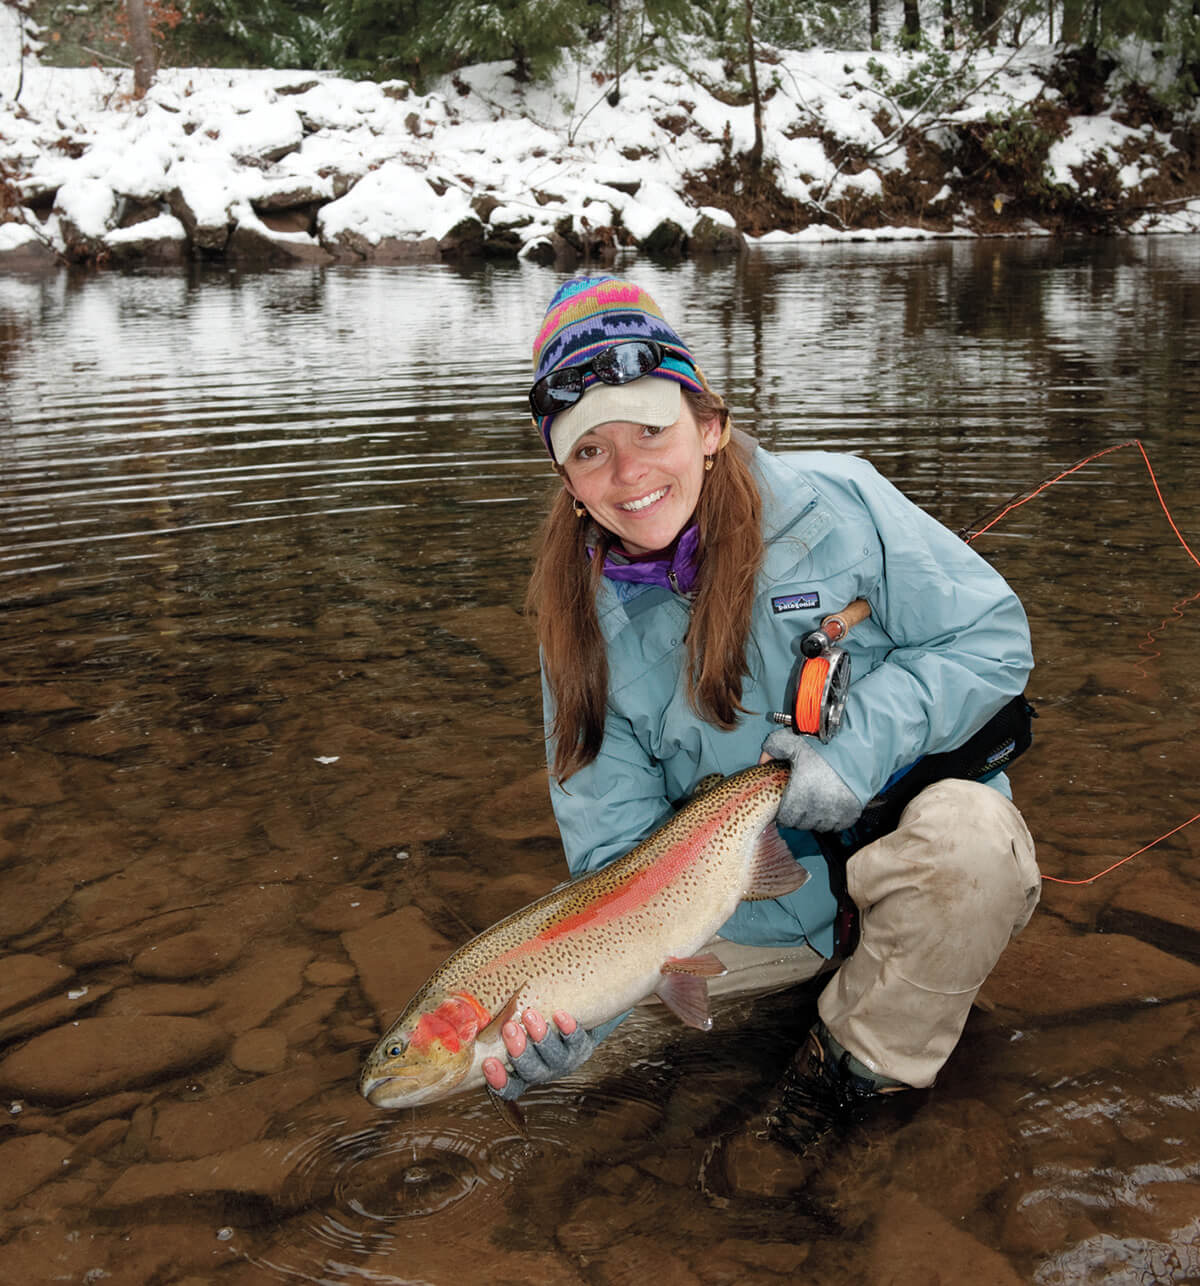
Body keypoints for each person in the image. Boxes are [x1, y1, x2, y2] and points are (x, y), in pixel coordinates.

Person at [480, 274, 1041, 1154]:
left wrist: (850, 757)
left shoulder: (841, 503)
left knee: (973, 844)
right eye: (590, 450)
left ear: (709, 428)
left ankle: (854, 1071)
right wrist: (580, 1000)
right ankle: (819, 1004)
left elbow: (993, 641)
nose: (628, 474)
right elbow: (612, 863)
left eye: (651, 431)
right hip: (739, 928)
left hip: (908, 876)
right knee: (541, 1076)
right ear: (565, 474)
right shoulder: (574, 628)